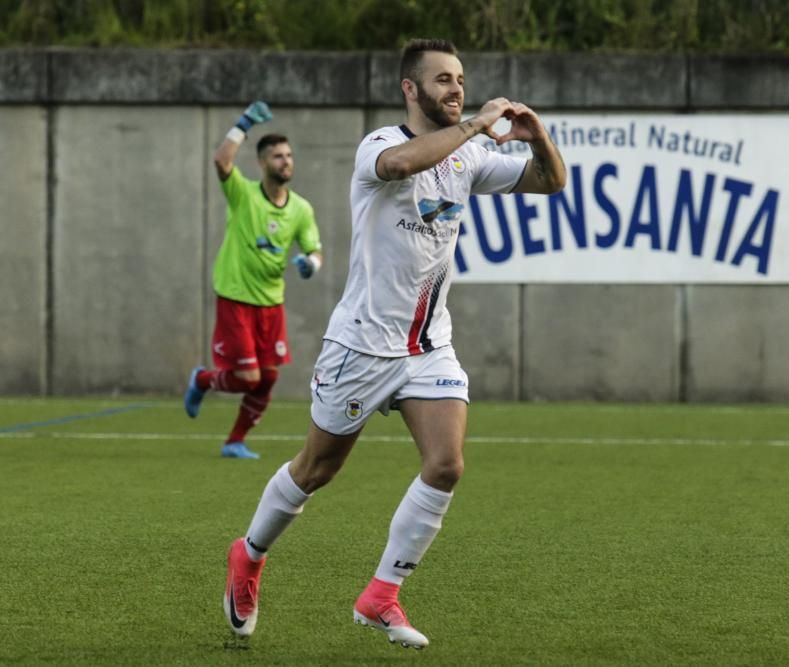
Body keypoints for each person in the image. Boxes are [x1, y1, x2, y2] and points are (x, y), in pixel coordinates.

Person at [222, 39, 566, 648]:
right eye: (441, 80)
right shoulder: (380, 146)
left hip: (428, 345)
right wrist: (474, 124)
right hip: (361, 345)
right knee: (316, 470)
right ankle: (248, 556)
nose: (455, 88)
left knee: (446, 464)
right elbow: (404, 166)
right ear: (410, 88)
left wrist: (537, 135)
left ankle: (381, 595)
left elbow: (549, 182)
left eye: (459, 78)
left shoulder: (468, 157)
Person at [184, 101, 323, 460]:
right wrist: (243, 124)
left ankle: (234, 441)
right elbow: (221, 161)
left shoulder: (301, 209)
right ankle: (203, 380)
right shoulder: (243, 195)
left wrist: (310, 264)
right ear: (262, 162)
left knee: (269, 377)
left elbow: (314, 249)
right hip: (236, 297)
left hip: (271, 303)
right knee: (247, 378)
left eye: (289, 155)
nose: (286, 161)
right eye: (277, 156)